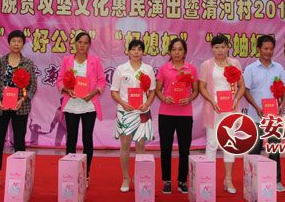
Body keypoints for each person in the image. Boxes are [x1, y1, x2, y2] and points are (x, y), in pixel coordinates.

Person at [0, 30, 37, 190]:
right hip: (0, 107)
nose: (16, 44)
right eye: (13, 41)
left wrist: (23, 99)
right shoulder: (0, 61)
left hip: (21, 108)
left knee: (19, 141)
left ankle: (19, 176)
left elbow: (32, 86)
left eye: (19, 41)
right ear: (9, 43)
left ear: (23, 44)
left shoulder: (28, 63)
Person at [56, 31, 106, 188]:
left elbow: (102, 81)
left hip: (89, 105)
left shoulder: (95, 61)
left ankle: (86, 174)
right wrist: (67, 89)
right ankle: (70, 173)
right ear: (75, 43)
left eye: (85, 43)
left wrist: (93, 93)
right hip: (72, 104)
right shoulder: (67, 60)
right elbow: (59, 80)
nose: (82, 45)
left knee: (87, 139)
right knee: (71, 139)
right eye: (79, 42)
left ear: (89, 45)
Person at [198, 34, 245, 194]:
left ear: (228, 48)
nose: (220, 50)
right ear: (212, 49)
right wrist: (212, 101)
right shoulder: (206, 65)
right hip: (213, 108)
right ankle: (208, 179)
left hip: (230, 109)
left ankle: (228, 180)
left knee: (229, 144)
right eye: (216, 47)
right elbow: (202, 87)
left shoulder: (235, 63)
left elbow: (241, 86)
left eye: (223, 47)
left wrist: (236, 100)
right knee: (212, 143)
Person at [244, 34, 285, 193]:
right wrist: (257, 107)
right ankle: (252, 180)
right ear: (258, 49)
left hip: (274, 118)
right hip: (255, 116)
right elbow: (245, 91)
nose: (268, 52)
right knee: (254, 150)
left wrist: (282, 104)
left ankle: (276, 180)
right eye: (265, 48)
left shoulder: (278, 68)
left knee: (274, 150)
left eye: (271, 49)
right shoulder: (250, 69)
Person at [110, 39, 156, 192]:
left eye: (139, 49)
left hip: (142, 111)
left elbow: (152, 91)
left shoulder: (148, 69)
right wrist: (123, 103)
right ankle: (126, 178)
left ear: (143, 52)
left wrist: (147, 103)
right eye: (133, 49)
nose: (136, 52)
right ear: (128, 52)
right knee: (125, 146)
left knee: (141, 146)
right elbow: (114, 91)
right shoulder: (121, 69)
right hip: (125, 111)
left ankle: (139, 176)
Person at [155, 38, 199, 194]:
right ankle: (166, 180)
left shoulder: (191, 69)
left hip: (185, 114)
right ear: (170, 51)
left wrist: (189, 98)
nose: (177, 52)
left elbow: (196, 90)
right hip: (166, 113)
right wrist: (163, 98)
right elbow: (158, 90)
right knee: (165, 149)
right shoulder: (164, 68)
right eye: (174, 49)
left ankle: (182, 181)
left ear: (185, 51)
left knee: (184, 149)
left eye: (180, 49)